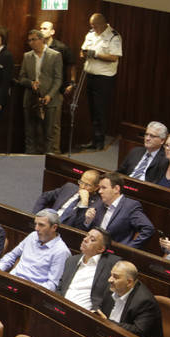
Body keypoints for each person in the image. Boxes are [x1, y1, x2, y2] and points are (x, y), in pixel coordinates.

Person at [0, 209, 71, 290]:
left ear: (54, 227)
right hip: (12, 281)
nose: (36, 228)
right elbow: (12, 255)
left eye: (41, 225)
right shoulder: (33, 236)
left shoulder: (61, 251)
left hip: (31, 291)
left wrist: (31, 291)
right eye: (36, 224)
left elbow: (52, 284)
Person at [79, 13, 122, 151]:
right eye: (91, 25)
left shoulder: (114, 36)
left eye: (95, 25)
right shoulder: (91, 34)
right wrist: (85, 54)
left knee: (100, 110)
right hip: (90, 75)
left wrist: (96, 54)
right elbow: (82, 51)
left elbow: (114, 57)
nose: (93, 28)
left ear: (103, 24)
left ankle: (100, 142)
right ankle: (93, 139)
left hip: (104, 78)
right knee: (92, 109)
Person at [96, 260, 165, 337]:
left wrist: (108, 322)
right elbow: (101, 308)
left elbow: (138, 332)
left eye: (116, 277)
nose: (110, 280)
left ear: (129, 282)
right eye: (111, 275)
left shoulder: (144, 301)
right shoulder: (112, 288)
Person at [16, 29, 62, 156]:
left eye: (34, 39)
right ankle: (29, 157)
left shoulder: (55, 55)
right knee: (30, 132)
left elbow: (58, 79)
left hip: (49, 99)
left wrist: (49, 95)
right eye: (29, 40)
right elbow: (21, 78)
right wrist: (30, 83)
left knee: (49, 133)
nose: (31, 43)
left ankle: (47, 159)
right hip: (31, 98)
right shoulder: (27, 56)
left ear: (42, 40)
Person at [81, 172, 156, 247]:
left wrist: (129, 248)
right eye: (99, 188)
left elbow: (148, 228)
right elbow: (87, 229)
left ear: (116, 189)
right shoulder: (98, 203)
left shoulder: (130, 206)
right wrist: (88, 221)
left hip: (113, 253)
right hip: (93, 248)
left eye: (104, 188)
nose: (100, 191)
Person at [57, 228, 121, 312]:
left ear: (101, 249)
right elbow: (60, 287)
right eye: (86, 236)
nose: (85, 239)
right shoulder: (72, 260)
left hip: (85, 314)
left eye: (92, 239)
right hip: (60, 308)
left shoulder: (112, 264)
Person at [39, 20, 76, 155]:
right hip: (40, 89)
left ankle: (55, 152)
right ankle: (41, 151)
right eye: (41, 28)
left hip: (56, 90)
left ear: (52, 32)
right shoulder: (38, 46)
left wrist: (72, 82)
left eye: (45, 28)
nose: (42, 30)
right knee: (39, 123)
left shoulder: (61, 47)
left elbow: (72, 64)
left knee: (54, 124)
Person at [32, 169, 101, 228]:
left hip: (64, 231)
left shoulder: (96, 205)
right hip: (47, 222)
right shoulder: (69, 187)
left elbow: (79, 227)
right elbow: (45, 196)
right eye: (81, 182)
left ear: (96, 187)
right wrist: (34, 216)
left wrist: (84, 203)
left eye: (87, 185)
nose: (82, 187)